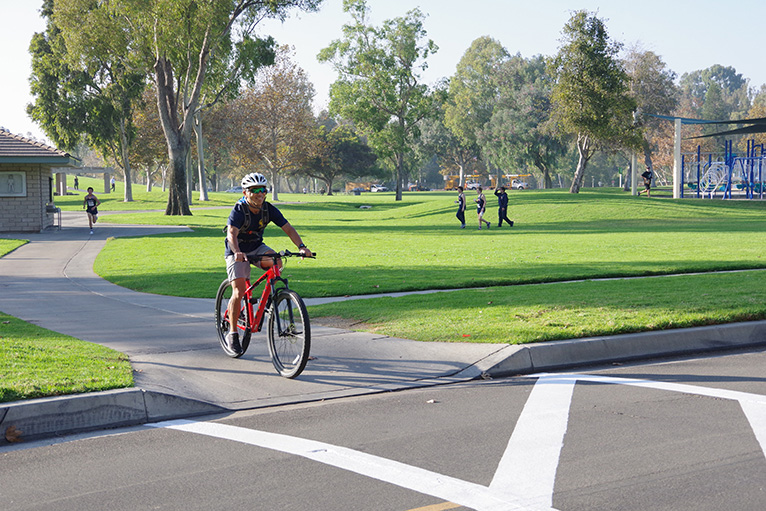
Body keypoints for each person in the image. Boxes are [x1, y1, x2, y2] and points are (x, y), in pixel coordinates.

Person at [224, 172, 311, 355]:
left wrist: (302, 247)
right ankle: (232, 333)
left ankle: (274, 296)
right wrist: (237, 252)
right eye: (254, 190)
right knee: (238, 292)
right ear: (245, 192)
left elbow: (288, 228)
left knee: (276, 260)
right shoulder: (239, 210)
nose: (259, 193)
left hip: (256, 248)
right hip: (237, 251)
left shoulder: (268, 209)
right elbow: (231, 234)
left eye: (263, 189)